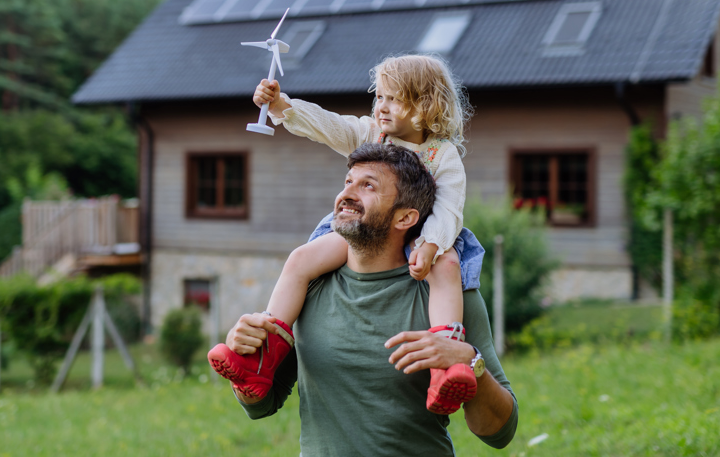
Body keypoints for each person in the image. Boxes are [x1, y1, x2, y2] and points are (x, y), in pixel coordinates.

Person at [209, 54, 485, 414]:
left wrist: (431, 243)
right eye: (380, 97)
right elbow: (329, 125)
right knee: (301, 259)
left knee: (447, 267)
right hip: (366, 229)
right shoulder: (371, 132)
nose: (382, 107)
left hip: (423, 234)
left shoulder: (442, 155)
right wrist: (282, 105)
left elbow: (449, 206)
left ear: (425, 105)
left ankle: (444, 365)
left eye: (394, 98)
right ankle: (264, 353)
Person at [221, 143, 518, 456]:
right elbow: (262, 404)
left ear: (405, 218)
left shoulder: (447, 297)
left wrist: (469, 361)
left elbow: (500, 433)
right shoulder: (309, 286)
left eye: (368, 186)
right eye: (348, 182)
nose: (347, 194)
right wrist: (245, 349)